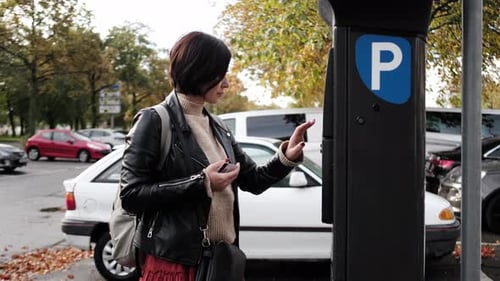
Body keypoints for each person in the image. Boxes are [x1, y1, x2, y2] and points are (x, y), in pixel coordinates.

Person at [119, 31, 315, 281]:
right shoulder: (154, 120)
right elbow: (131, 195)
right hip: (176, 264)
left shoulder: (218, 126)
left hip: (220, 261)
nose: (226, 83)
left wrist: (285, 157)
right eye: (220, 74)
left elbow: (252, 181)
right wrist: (201, 184)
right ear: (199, 71)